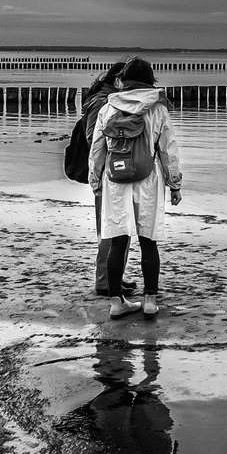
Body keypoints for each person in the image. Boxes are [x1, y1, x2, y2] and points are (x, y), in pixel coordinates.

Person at [88, 57, 182, 318]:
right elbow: (167, 150)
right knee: (148, 241)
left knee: (118, 242)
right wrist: (174, 184)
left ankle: (117, 302)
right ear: (150, 79)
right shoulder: (157, 109)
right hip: (148, 179)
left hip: (115, 181)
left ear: (124, 80)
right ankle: (150, 300)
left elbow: (98, 148)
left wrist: (95, 180)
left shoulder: (109, 108)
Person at [78, 61, 138, 297]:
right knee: (110, 228)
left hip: (111, 170)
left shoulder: (107, 99)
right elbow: (94, 138)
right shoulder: (102, 102)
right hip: (107, 172)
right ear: (117, 81)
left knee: (118, 227)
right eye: (126, 83)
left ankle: (114, 277)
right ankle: (105, 281)